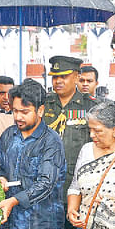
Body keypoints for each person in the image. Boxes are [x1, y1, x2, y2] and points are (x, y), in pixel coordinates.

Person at [0, 80, 66, 229]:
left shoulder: (51, 141)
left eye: (24, 112)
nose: (18, 117)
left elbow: (46, 184)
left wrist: (13, 200)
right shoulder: (8, 135)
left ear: (40, 110)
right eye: (15, 111)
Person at [43, 55, 96, 198]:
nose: (58, 81)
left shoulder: (91, 107)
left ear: (77, 77)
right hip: (46, 185)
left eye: (64, 76)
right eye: (54, 77)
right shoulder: (43, 105)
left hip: (79, 185)